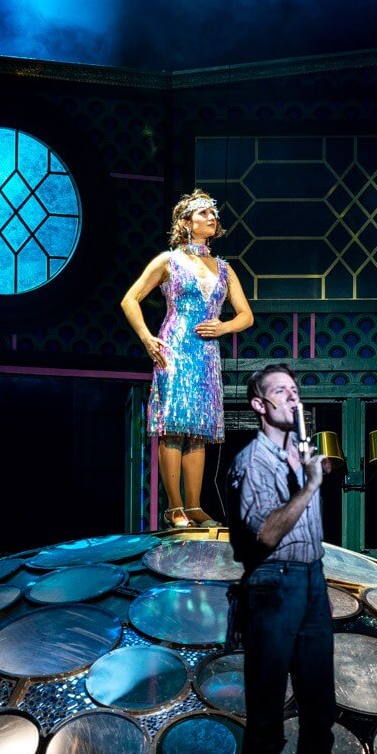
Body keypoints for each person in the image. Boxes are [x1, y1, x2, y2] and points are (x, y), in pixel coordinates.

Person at [227, 364, 338, 754]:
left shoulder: (301, 452)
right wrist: (309, 486)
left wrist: (311, 472)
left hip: (311, 580)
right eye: (280, 392)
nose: (293, 399)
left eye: (295, 391)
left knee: (320, 711)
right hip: (274, 584)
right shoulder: (253, 461)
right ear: (259, 404)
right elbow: (266, 535)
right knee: (268, 714)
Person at [120, 189, 255, 529]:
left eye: (213, 214)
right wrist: (146, 337)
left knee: (199, 430)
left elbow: (246, 315)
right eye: (203, 213)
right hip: (175, 348)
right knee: (174, 427)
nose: (212, 218)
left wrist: (223, 326)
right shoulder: (168, 261)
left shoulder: (224, 268)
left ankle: (194, 506)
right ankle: (174, 507)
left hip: (206, 354)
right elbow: (130, 299)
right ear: (185, 222)